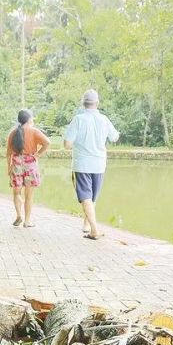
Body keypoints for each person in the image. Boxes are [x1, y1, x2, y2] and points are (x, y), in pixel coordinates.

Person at [63, 89, 119, 239]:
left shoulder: (78, 119)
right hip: (99, 164)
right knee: (92, 197)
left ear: (83, 104)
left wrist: (78, 143)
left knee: (86, 197)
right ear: (97, 103)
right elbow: (114, 137)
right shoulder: (104, 119)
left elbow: (67, 144)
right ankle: (86, 224)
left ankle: (93, 229)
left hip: (82, 164)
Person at [6, 109, 50, 227]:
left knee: (16, 193)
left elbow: (9, 153)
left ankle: (19, 215)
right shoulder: (34, 131)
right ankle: (27, 221)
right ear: (30, 119)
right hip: (30, 164)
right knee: (29, 196)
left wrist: (9, 167)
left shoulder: (12, 133)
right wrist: (39, 154)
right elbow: (47, 143)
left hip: (16, 164)